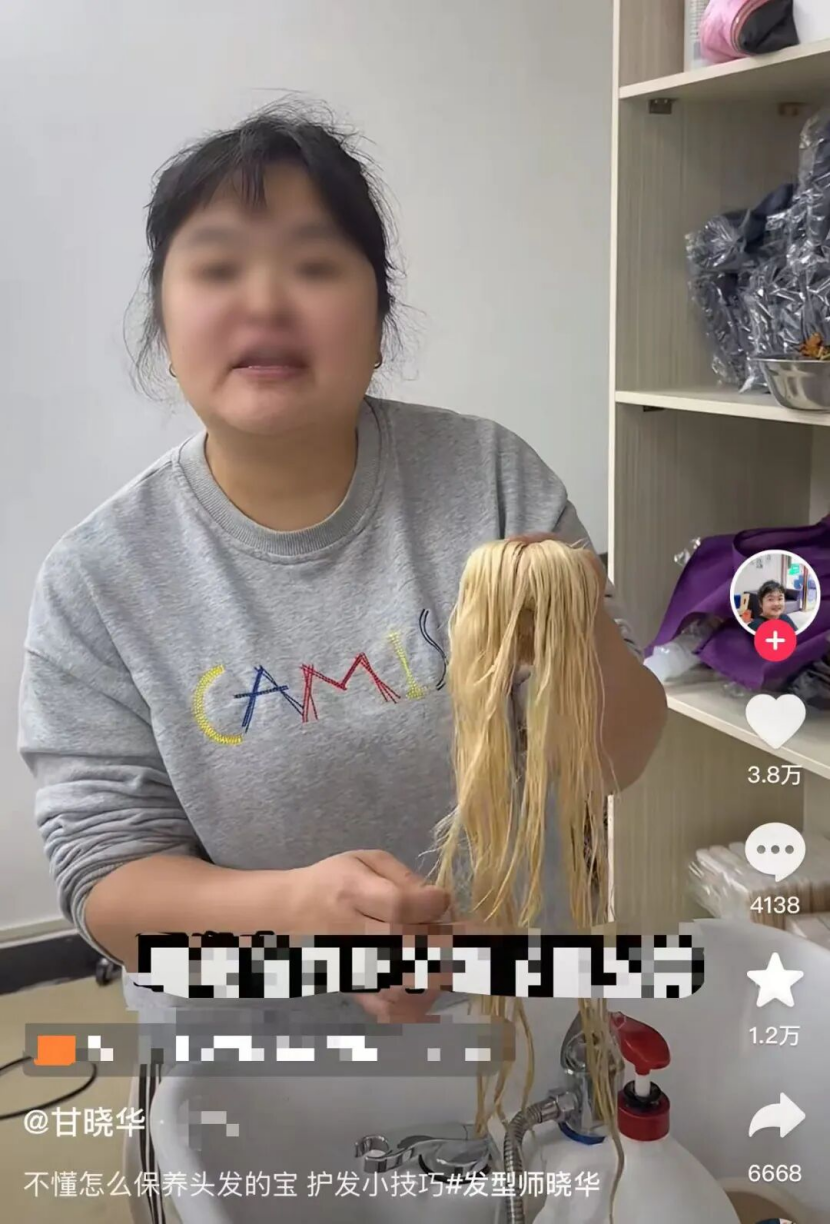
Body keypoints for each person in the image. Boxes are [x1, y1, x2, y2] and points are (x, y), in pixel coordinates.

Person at [17, 103, 666, 1220]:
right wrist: (299, 914)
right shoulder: (101, 577)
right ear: (163, 318)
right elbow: (107, 881)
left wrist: (575, 640)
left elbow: (616, 757)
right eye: (217, 267)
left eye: (315, 264)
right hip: (255, 1054)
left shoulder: (487, 479)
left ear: (377, 314)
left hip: (509, 1014)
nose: (265, 301)